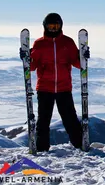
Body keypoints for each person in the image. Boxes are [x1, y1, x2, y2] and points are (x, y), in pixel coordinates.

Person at [20, 13, 90, 151]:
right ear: (45, 26)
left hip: (64, 88)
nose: (53, 29)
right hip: (45, 88)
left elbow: (77, 63)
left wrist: (82, 57)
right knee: (43, 120)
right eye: (50, 26)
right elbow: (32, 67)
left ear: (61, 26)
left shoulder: (67, 42)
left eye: (56, 26)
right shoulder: (39, 44)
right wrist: (26, 57)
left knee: (70, 119)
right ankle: (41, 148)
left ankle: (79, 144)